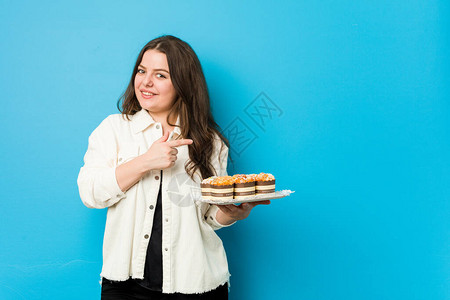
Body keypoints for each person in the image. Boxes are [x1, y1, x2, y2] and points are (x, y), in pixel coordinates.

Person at [77, 35, 270, 300]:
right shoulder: (113, 129)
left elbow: (209, 218)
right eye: (142, 71)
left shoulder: (208, 141)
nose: (145, 82)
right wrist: (145, 161)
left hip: (196, 284)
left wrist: (231, 213)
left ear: (183, 84)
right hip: (125, 287)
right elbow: (90, 193)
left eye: (161, 75)